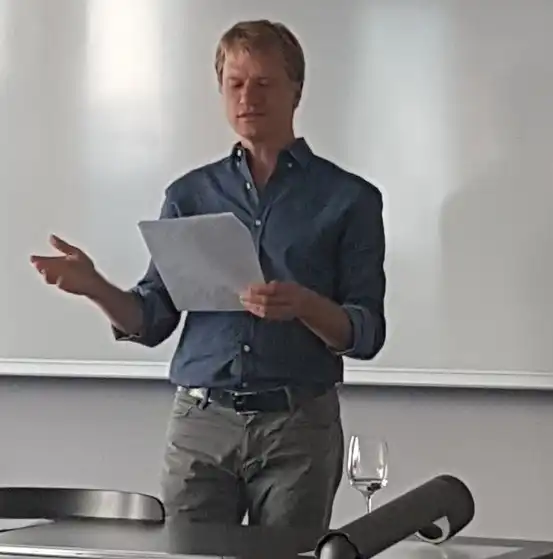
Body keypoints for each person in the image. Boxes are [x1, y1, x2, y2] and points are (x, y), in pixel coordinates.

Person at [30, 19, 386, 535]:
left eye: (263, 83)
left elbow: (367, 332)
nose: (247, 97)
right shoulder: (189, 195)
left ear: (296, 90)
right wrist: (96, 287)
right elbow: (153, 318)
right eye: (235, 84)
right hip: (201, 422)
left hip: (297, 425)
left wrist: (305, 305)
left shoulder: (349, 199)